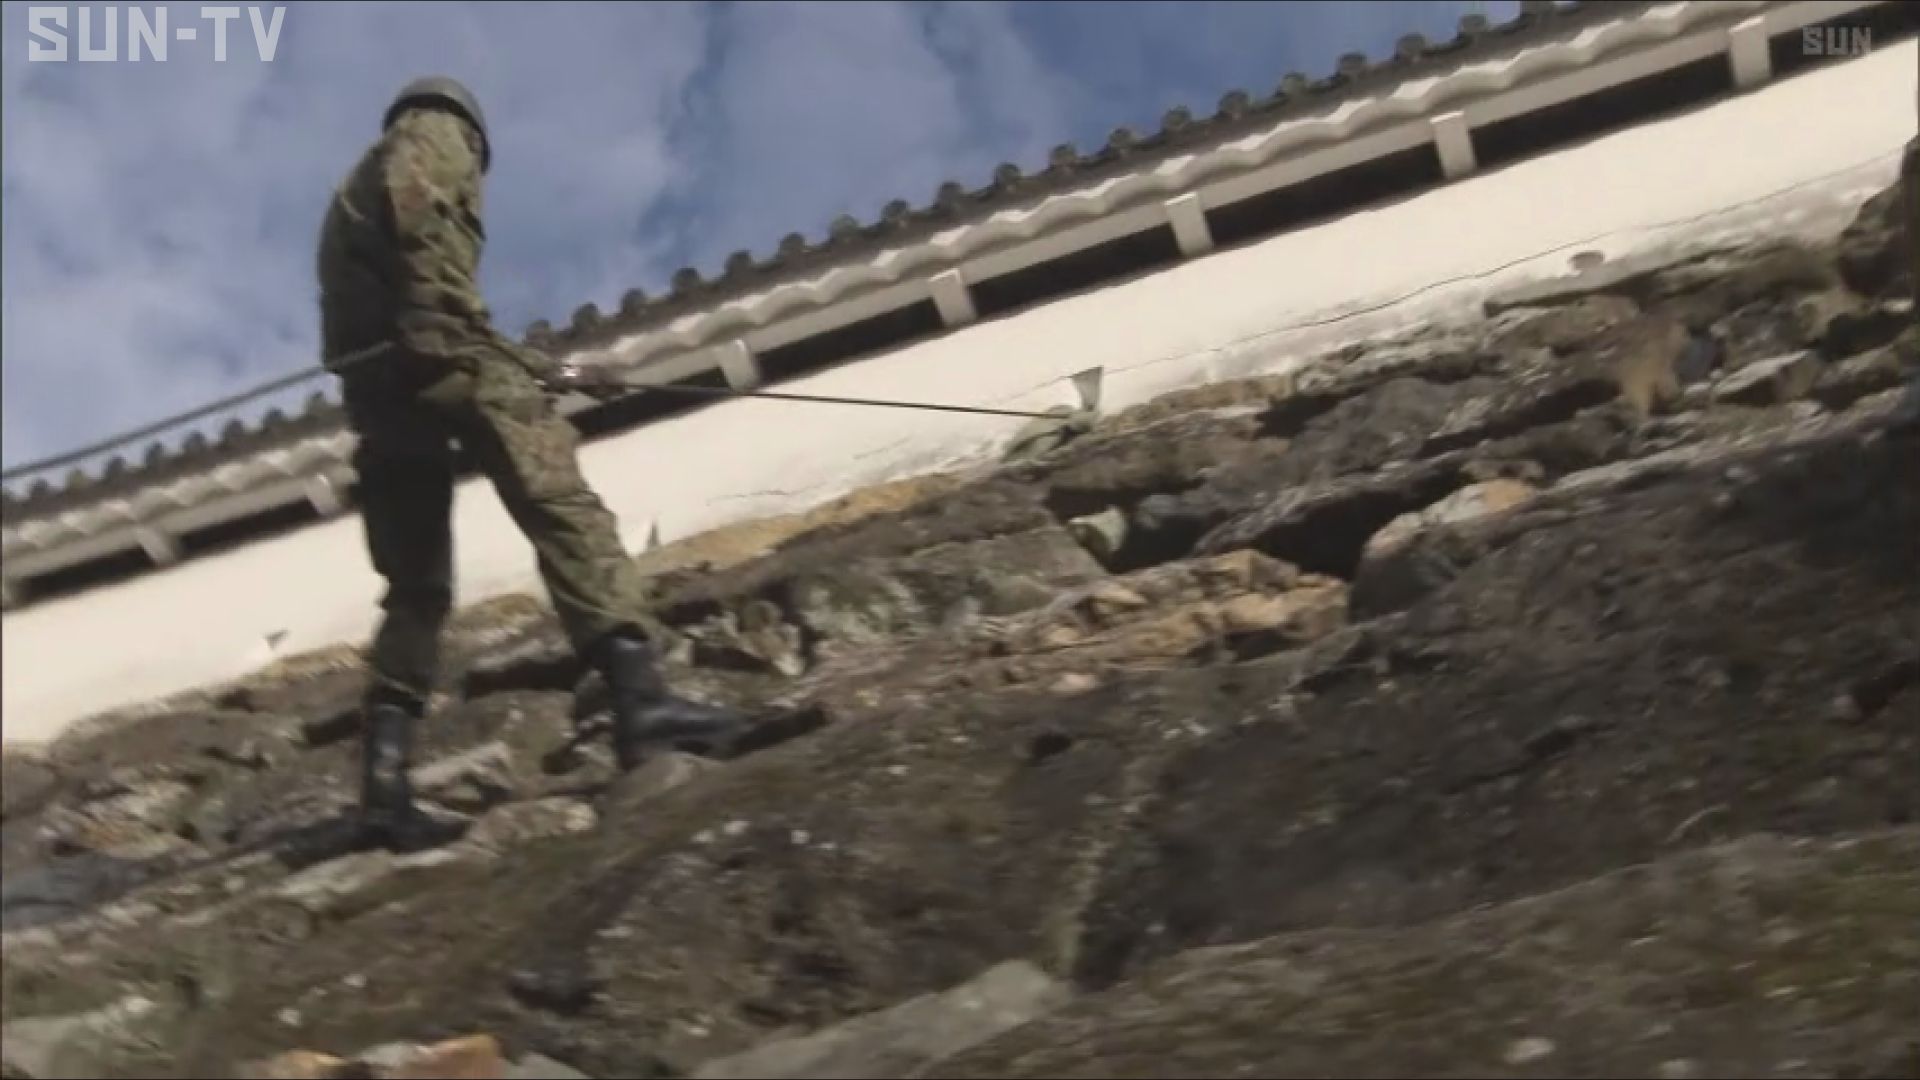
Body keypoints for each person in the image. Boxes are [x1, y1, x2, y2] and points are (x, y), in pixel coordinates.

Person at [316, 76, 748, 850]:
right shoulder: (435, 134)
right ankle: (643, 704)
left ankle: (383, 790)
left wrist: (549, 368)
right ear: (471, 134)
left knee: (416, 588)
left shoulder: (343, 203)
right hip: (446, 354)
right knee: (563, 507)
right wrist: (465, 341)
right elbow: (429, 250)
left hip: (377, 394)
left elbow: (392, 301)